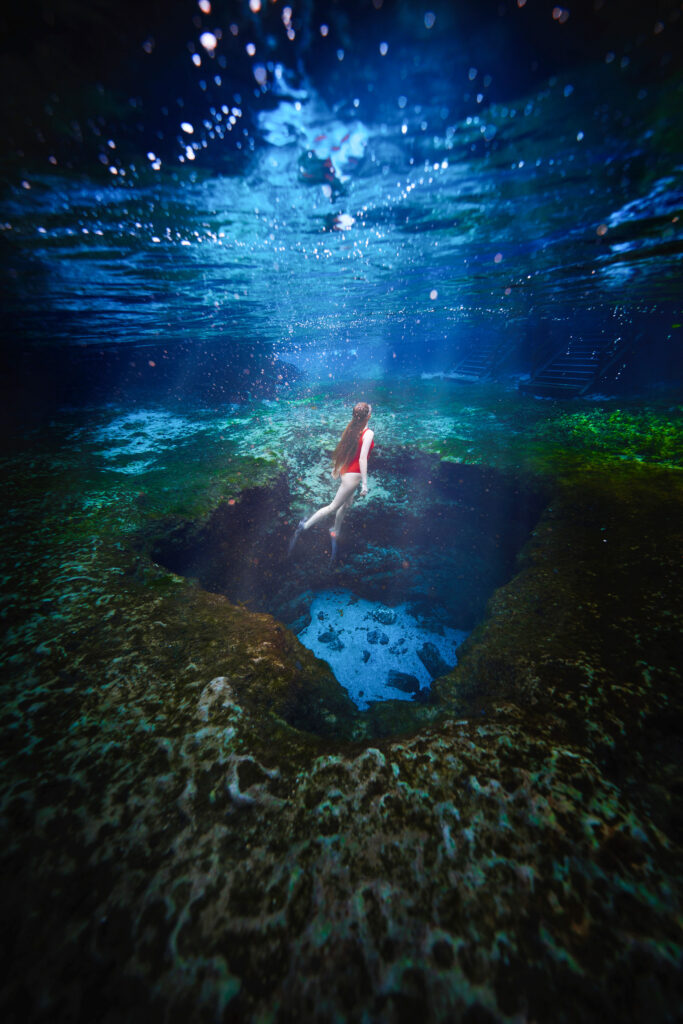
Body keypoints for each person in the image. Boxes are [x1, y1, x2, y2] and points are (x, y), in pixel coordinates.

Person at [289, 401, 375, 563]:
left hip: (346, 471)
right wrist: (365, 483)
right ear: (368, 416)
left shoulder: (352, 428)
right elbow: (363, 458)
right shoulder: (368, 433)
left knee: (346, 504)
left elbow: (345, 448)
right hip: (353, 476)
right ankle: (304, 527)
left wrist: (337, 468)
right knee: (333, 506)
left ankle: (335, 530)